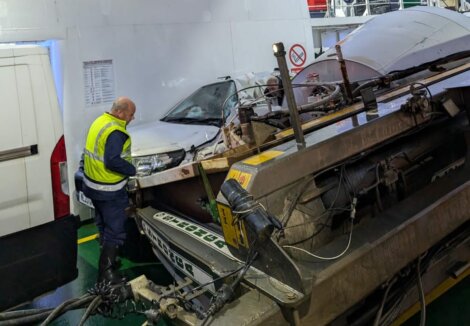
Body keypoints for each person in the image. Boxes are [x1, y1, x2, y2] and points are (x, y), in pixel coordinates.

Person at [82, 97, 137, 284]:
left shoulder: (100, 121)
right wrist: (132, 170)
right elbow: (112, 161)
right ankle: (106, 274)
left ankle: (107, 259)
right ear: (120, 112)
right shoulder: (115, 131)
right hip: (109, 190)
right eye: (131, 114)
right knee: (115, 230)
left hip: (93, 186)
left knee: (103, 224)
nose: (132, 118)